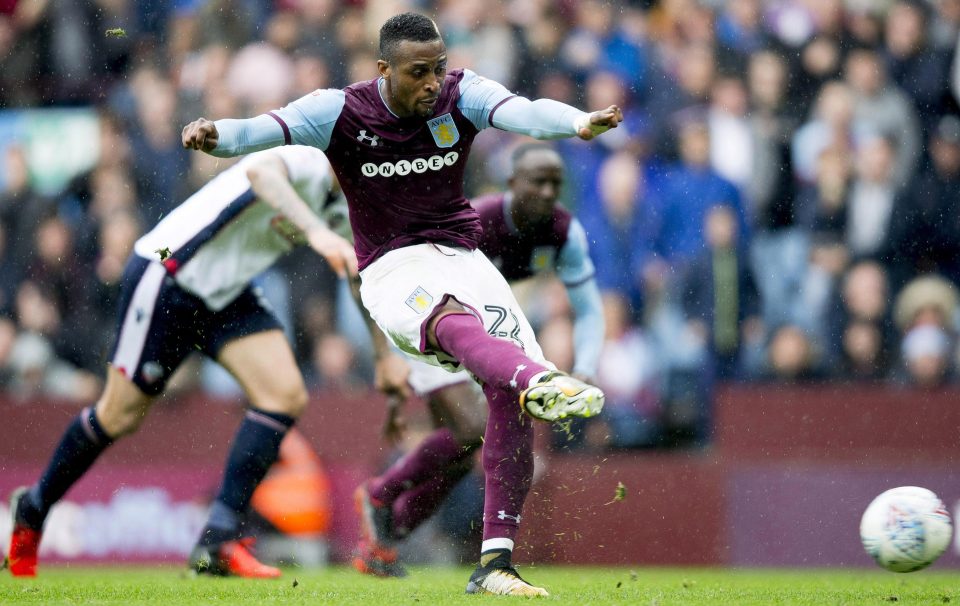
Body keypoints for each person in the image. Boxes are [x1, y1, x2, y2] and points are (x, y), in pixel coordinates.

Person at [181, 13, 621, 596]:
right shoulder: (338, 110)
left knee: (507, 402)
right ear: (383, 69)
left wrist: (578, 123)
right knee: (462, 337)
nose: (432, 82)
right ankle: (532, 377)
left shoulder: (461, 94)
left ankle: (496, 564)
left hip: (463, 258)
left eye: (438, 68)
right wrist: (215, 134)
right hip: (392, 268)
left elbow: (522, 110)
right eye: (418, 73)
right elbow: (257, 132)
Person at [6, 145, 357, 579]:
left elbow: (358, 270)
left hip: (226, 293)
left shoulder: (345, 204)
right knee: (118, 417)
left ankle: (218, 540)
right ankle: (34, 507)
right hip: (171, 272)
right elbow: (262, 174)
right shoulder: (309, 159)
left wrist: (386, 360)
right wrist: (313, 230)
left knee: (283, 394)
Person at [351, 143, 604, 577]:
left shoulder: (564, 233)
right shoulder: (479, 221)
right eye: (537, 182)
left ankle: (384, 534)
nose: (547, 193)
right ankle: (379, 495)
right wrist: (383, 356)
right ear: (511, 184)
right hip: (433, 316)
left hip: (487, 335)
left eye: (555, 184)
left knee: (464, 444)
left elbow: (591, 310)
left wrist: (587, 367)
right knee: (469, 430)